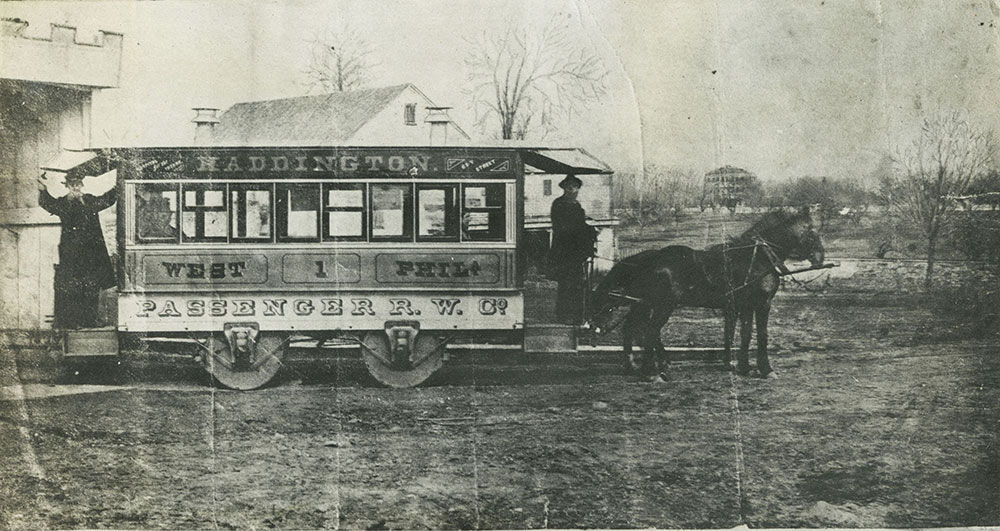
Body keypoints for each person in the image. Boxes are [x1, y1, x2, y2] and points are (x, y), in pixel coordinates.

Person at [37, 170, 117, 329]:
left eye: (78, 184)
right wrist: (42, 189)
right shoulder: (62, 203)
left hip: (91, 255)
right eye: (72, 184)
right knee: (73, 288)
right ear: (67, 186)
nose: (75, 187)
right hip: (71, 256)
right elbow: (47, 203)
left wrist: (119, 184)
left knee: (91, 286)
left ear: (82, 185)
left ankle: (89, 321)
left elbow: (108, 199)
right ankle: (74, 323)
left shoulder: (90, 201)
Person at [547, 174, 596, 325]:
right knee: (566, 284)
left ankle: (577, 316)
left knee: (578, 284)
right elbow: (564, 228)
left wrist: (591, 231)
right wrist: (586, 231)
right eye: (569, 186)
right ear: (564, 188)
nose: (572, 189)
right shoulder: (559, 204)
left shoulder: (577, 205)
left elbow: (580, 225)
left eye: (574, 187)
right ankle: (563, 316)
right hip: (564, 251)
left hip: (576, 252)